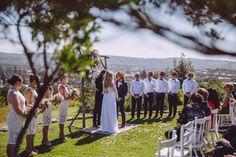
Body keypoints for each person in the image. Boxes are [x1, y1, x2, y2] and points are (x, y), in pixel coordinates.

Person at [6, 75, 27, 157]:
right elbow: (17, 108)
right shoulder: (13, 93)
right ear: (17, 82)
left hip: (18, 118)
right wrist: (26, 115)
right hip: (15, 119)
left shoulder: (16, 91)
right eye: (21, 82)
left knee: (16, 139)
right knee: (12, 140)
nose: (22, 84)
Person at [24, 74, 40, 154]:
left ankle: (32, 147)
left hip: (35, 112)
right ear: (34, 80)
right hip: (31, 113)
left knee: (33, 131)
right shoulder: (29, 90)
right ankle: (28, 148)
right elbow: (28, 104)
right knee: (29, 131)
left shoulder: (34, 90)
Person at [58, 74, 70, 140]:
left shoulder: (64, 86)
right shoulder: (61, 86)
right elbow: (62, 97)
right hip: (62, 104)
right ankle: (61, 134)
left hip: (65, 104)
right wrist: (69, 97)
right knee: (62, 118)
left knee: (63, 118)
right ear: (63, 79)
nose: (67, 79)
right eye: (66, 78)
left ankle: (62, 134)